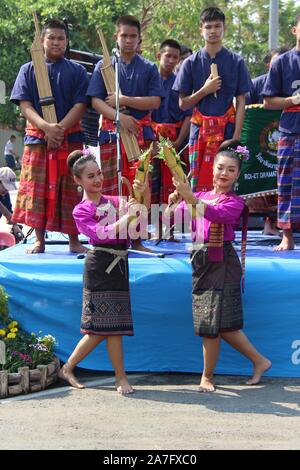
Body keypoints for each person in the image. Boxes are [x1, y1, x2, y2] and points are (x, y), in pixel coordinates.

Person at [165, 143, 271, 392]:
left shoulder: (234, 202)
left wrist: (189, 198)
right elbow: (173, 218)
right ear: (211, 169)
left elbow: (215, 215)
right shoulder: (200, 196)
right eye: (220, 168)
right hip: (201, 260)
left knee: (211, 324)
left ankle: (207, 376)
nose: (224, 173)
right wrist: (174, 200)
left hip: (221, 260)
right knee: (218, 325)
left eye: (230, 170)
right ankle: (259, 361)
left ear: (237, 175)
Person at [58, 149, 150, 393]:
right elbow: (103, 234)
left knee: (114, 327)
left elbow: (140, 217)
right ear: (78, 181)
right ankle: (71, 368)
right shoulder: (81, 210)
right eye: (90, 176)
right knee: (99, 329)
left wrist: (142, 192)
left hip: (119, 265)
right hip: (99, 267)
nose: (97, 179)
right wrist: (126, 217)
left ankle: (119, 377)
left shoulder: (115, 201)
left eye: (98, 174)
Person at [10, 19, 90, 254]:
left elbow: (81, 105)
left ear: (66, 42)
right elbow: (24, 105)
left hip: (70, 138)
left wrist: (59, 129)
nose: (56, 42)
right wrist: (46, 127)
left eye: (61, 38)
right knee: (37, 190)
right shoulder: (28, 69)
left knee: (71, 189)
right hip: (37, 139)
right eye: (51, 38)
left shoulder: (77, 71)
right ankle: (39, 240)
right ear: (42, 41)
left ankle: (75, 241)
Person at [87, 15, 165, 250]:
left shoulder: (150, 67)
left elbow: (155, 101)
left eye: (133, 36)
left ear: (140, 39)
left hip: (140, 136)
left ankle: (138, 239)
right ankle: (113, 238)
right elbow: (95, 101)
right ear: (116, 38)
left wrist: (124, 100)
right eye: (124, 36)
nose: (128, 40)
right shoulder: (105, 66)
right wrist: (120, 117)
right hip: (112, 133)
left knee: (139, 185)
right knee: (111, 184)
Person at [173, 7, 251, 193]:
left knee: (226, 179)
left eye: (217, 26)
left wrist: (236, 137)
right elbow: (183, 103)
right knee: (196, 179)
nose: (213, 31)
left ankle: (224, 220)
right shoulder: (190, 63)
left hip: (227, 129)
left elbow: (241, 102)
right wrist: (205, 90)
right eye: (208, 27)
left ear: (225, 28)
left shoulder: (236, 61)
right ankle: (198, 221)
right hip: (199, 130)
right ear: (201, 29)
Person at [263, 13, 300, 251]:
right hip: (290, 129)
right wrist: (291, 99)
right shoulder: (282, 62)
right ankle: (287, 235)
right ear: (295, 30)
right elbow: (268, 102)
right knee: (286, 184)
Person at [245, 47, 287, 237]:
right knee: (261, 183)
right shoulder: (255, 84)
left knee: (283, 183)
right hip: (259, 145)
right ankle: (264, 224)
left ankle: (279, 224)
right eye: (275, 62)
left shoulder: (289, 84)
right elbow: (243, 110)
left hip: (287, 139)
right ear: (268, 64)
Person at [152, 39, 191, 206]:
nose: (171, 60)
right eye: (168, 56)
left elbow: (188, 116)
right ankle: (149, 223)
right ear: (159, 55)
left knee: (174, 181)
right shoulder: (149, 79)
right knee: (150, 180)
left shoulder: (180, 83)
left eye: (175, 57)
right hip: (150, 138)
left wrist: (179, 141)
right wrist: (151, 141)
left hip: (175, 140)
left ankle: (172, 223)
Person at [0, 167, 23, 239]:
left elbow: (10, 216)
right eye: (5, 187)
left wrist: (15, 226)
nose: (6, 190)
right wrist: (8, 215)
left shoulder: (4, 194)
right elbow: (8, 214)